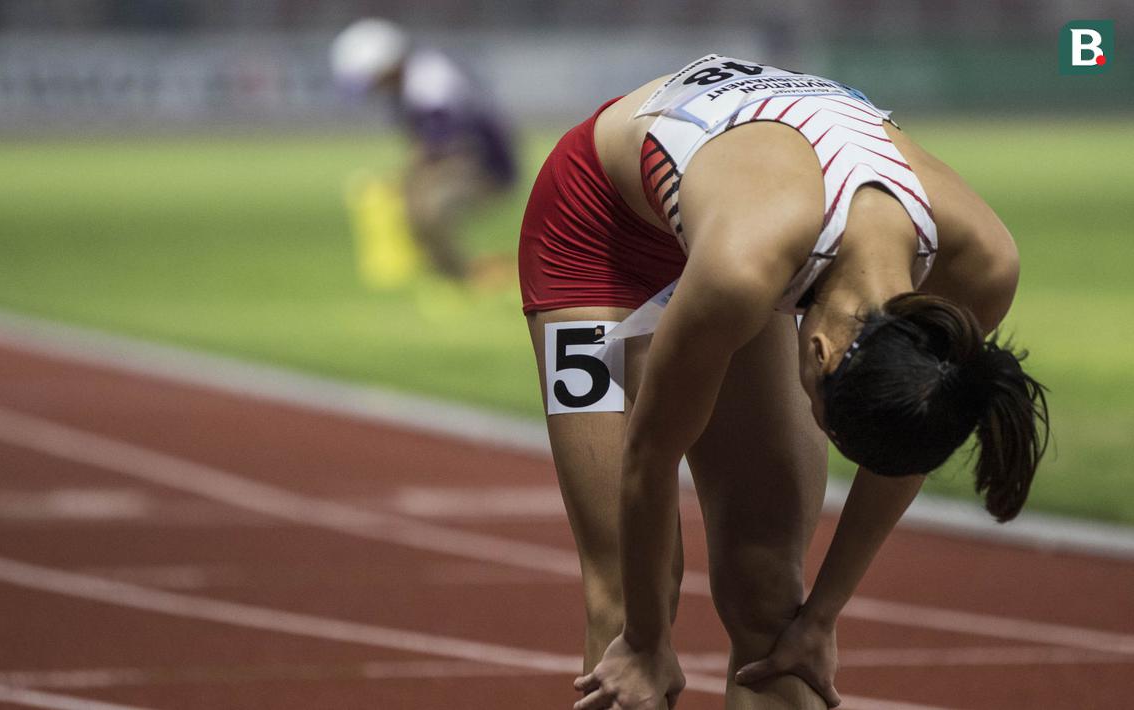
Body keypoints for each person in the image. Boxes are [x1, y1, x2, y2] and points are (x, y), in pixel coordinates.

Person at [517, 54, 1049, 709]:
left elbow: (908, 439)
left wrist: (820, 617)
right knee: (623, 593)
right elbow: (649, 455)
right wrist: (646, 640)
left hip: (756, 225)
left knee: (769, 594)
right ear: (821, 351)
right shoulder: (743, 271)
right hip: (595, 227)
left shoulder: (977, 270)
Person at [330, 18, 517, 285]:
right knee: (415, 206)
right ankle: (458, 275)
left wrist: (405, 174)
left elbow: (442, 141)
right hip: (465, 163)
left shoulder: (428, 78)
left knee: (428, 208)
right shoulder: (413, 81)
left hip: (485, 168)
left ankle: (465, 278)